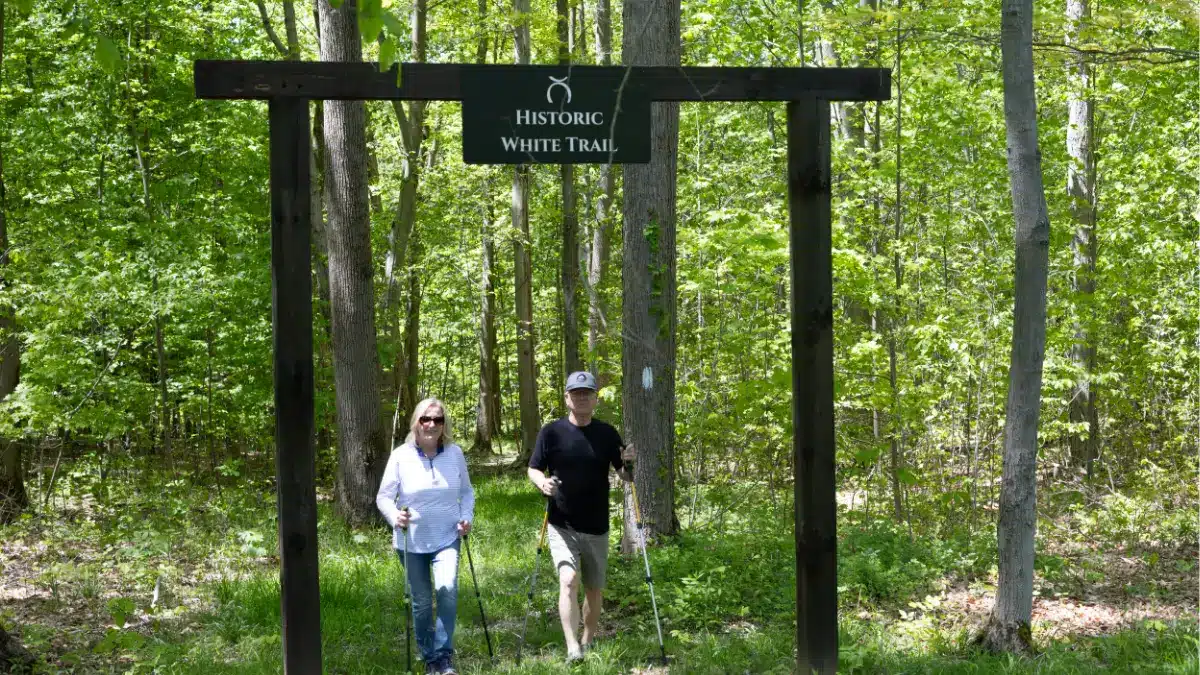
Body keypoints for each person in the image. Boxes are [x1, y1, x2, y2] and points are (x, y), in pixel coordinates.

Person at [527, 371, 636, 662]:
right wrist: (542, 483)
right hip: (561, 522)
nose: (582, 397)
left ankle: (588, 641)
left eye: (587, 393)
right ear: (567, 398)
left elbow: (625, 476)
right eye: (576, 393)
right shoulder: (551, 432)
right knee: (568, 579)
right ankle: (572, 646)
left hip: (597, 525)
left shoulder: (607, 433)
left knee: (593, 589)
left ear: (595, 399)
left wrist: (629, 463)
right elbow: (534, 467)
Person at [377, 398, 475, 675]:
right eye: (426, 419)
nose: (431, 424)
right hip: (412, 541)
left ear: (444, 425)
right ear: (416, 422)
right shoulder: (401, 456)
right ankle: (429, 657)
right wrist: (395, 516)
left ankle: (444, 656)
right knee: (421, 603)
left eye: (438, 419)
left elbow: (467, 492)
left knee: (447, 591)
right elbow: (384, 497)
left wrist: (467, 517)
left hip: (447, 537)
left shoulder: (455, 453)